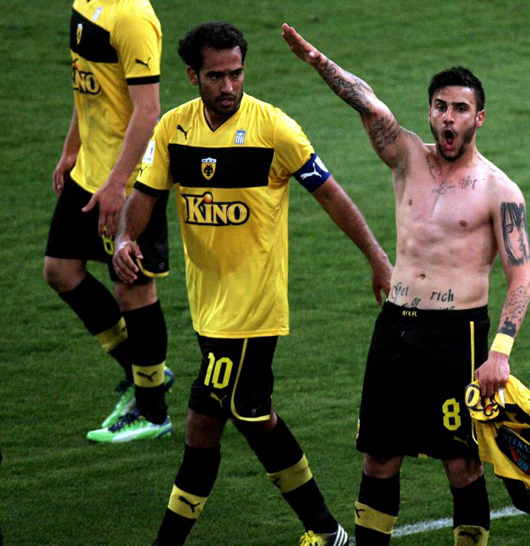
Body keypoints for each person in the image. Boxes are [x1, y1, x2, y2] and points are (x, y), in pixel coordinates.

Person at [112, 22, 392, 546]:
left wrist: (378, 259)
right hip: (208, 305)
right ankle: (326, 531)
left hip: (253, 309)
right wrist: (127, 235)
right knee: (254, 415)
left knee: (201, 425)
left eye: (236, 74)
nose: (228, 87)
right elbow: (145, 194)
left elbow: (331, 194)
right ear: (193, 74)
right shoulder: (174, 129)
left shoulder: (275, 130)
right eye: (215, 76)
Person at [283, 24, 530, 546]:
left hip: (457, 336)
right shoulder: (407, 159)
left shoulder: (499, 190)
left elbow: (520, 277)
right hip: (395, 328)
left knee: (461, 464)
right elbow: (370, 106)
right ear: (430, 112)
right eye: (440, 106)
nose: (448, 116)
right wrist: (318, 61)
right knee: (378, 457)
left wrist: (500, 351)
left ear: (478, 118)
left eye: (460, 108)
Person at [44, 0, 173, 443]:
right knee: (60, 270)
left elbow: (147, 110)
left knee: (133, 288)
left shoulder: (133, 18)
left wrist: (119, 187)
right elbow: (90, 89)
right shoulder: (86, 4)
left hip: (131, 178)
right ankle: (144, 374)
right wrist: (71, 148)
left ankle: (153, 412)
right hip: (89, 172)